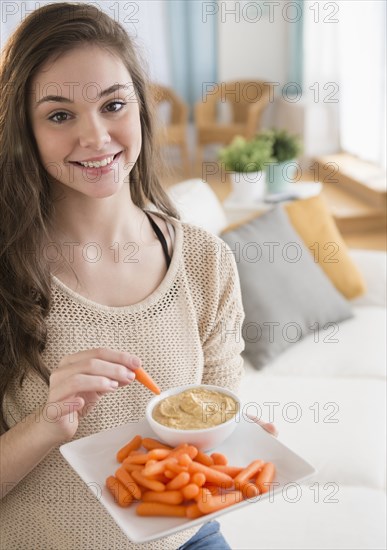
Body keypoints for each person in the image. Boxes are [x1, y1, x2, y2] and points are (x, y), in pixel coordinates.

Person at [0, 3, 276, 549]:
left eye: (114, 104)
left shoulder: (205, 260)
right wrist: (49, 422)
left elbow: (210, 430)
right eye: (60, 115)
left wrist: (238, 443)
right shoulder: (9, 270)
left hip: (190, 538)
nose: (97, 137)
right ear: (23, 131)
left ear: (141, 111)